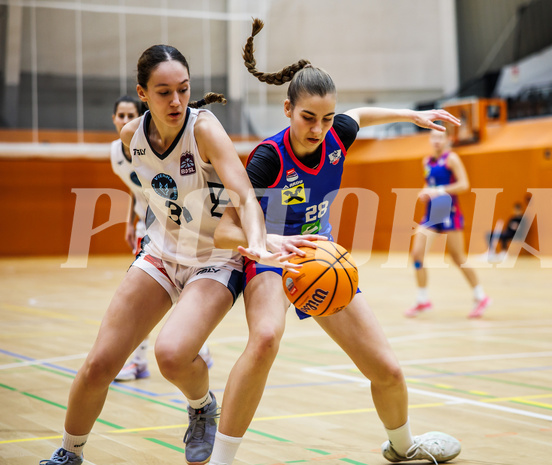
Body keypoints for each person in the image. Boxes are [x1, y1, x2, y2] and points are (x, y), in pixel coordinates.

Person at [207, 18, 463, 465]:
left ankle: (403, 447)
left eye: (327, 118)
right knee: (265, 338)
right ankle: (222, 459)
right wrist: (265, 246)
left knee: (387, 370)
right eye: (308, 117)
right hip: (270, 257)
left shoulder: (338, 134)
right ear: (287, 110)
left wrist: (412, 116)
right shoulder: (268, 158)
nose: (319, 128)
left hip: (321, 260)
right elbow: (225, 229)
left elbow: (359, 116)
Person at [39, 44, 296, 465]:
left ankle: (200, 406)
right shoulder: (130, 138)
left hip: (216, 258)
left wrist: (258, 242)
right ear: (143, 94)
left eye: (183, 89)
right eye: (163, 92)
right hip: (161, 251)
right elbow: (157, 191)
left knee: (171, 356)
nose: (176, 100)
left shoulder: (204, 130)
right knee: (100, 363)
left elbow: (247, 196)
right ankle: (70, 453)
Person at [108, 94, 214, 382]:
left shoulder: (161, 143)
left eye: (131, 115)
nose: (125, 121)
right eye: (120, 115)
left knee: (181, 285)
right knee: (155, 291)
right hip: (148, 225)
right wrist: (132, 220)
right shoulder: (117, 152)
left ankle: (188, 347)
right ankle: (145, 359)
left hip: (179, 223)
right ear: (114, 119)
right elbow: (139, 186)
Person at [405, 127, 490, 319]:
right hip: (431, 214)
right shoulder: (426, 161)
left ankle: (480, 296)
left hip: (450, 213)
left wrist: (439, 190)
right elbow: (429, 183)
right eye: (433, 137)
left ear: (447, 139)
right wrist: (424, 191)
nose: (436, 140)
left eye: (440, 137)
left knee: (457, 257)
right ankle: (422, 299)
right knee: (417, 254)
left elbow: (464, 184)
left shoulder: (452, 159)